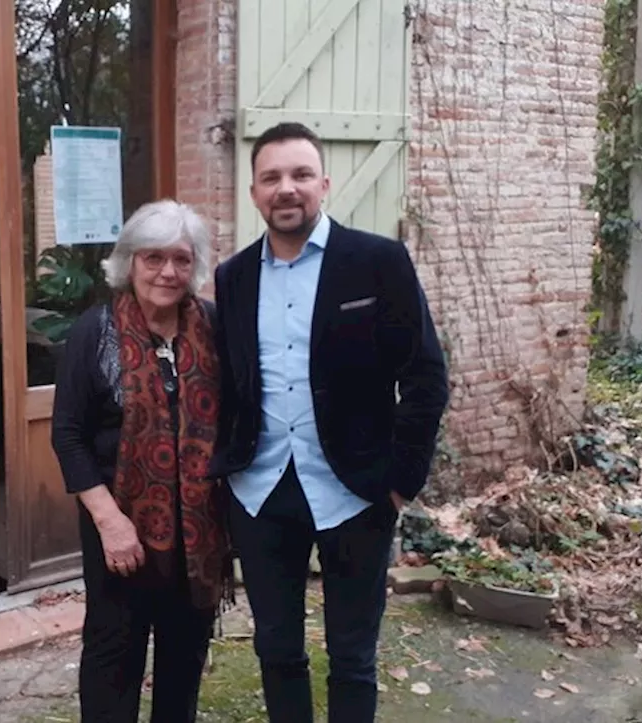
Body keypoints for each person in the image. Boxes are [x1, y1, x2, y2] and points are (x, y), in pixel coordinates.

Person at [210, 121, 450, 722]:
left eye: (299, 175)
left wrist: (402, 481)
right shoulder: (233, 278)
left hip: (358, 489)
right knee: (277, 648)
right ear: (254, 192)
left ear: (324, 183)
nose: (285, 189)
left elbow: (425, 375)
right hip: (261, 490)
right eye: (271, 177)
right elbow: (230, 382)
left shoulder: (377, 262)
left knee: (352, 655)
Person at [50, 199, 233, 723]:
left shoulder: (213, 327)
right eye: (153, 258)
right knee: (113, 655)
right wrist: (109, 523)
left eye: (180, 259)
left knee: (184, 657)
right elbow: (68, 435)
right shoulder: (95, 332)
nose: (167, 272)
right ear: (129, 262)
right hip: (119, 528)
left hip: (197, 533)